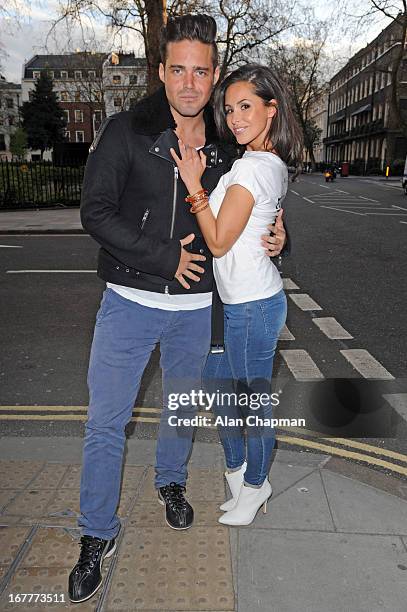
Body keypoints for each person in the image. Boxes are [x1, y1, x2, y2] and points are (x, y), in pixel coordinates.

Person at [68, 16, 287, 604]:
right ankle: (96, 534)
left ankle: (170, 484)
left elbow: (247, 205)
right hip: (129, 301)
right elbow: (96, 213)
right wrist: (165, 257)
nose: (190, 82)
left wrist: (275, 231)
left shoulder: (227, 141)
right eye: (178, 69)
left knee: (181, 411)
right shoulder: (125, 131)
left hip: (198, 308)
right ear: (161, 72)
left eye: (201, 70)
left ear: (213, 76)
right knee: (105, 424)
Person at [170, 63, 302, 527]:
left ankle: (256, 483)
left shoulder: (252, 167)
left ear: (272, 109)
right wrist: (277, 234)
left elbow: (221, 241)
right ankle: (239, 470)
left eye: (246, 106)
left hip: (252, 306)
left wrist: (194, 188)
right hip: (237, 302)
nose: (235, 118)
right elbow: (256, 228)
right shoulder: (265, 164)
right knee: (218, 388)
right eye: (229, 109)